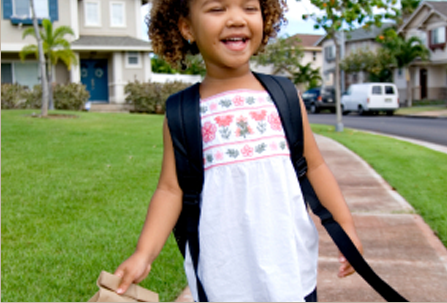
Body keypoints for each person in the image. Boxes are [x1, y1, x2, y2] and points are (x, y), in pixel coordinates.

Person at [114, 0, 363, 301]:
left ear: (265, 17)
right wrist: (144, 253)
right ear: (186, 27)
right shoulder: (183, 113)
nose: (236, 19)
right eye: (217, 8)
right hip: (223, 277)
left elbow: (315, 166)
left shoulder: (284, 96)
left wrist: (345, 226)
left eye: (249, 7)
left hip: (291, 269)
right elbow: (171, 190)